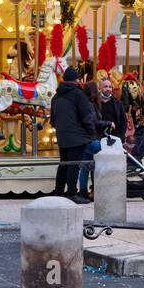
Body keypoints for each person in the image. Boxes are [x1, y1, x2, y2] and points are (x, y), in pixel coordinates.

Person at [50, 67, 97, 199]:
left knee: (64, 163)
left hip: (62, 136)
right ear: (76, 80)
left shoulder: (56, 96)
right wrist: (91, 133)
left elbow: (53, 120)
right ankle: (71, 193)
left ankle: (58, 192)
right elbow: (86, 117)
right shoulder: (78, 94)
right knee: (74, 165)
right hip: (77, 137)